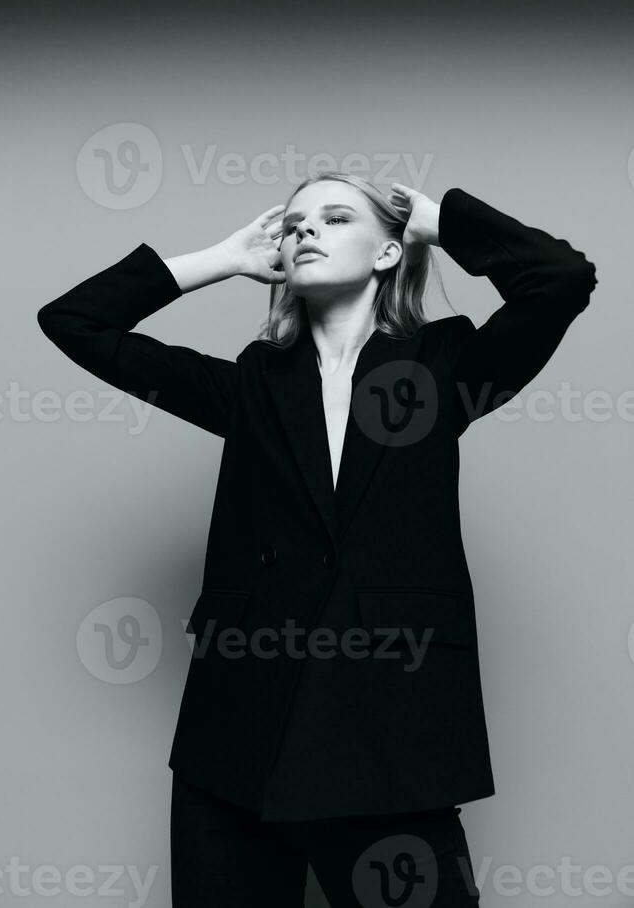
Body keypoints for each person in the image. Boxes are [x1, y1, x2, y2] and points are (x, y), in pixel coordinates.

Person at [37, 172, 598, 906]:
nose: (306, 231)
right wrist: (221, 258)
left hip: (391, 730)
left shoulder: (445, 368)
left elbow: (560, 279)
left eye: (335, 218)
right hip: (238, 738)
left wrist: (439, 220)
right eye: (296, 222)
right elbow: (74, 321)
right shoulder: (251, 383)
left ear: (388, 252)